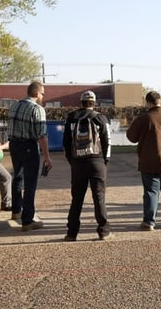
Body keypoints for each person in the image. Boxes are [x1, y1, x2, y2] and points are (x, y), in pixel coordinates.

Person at [126, 91, 161, 231]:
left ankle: (149, 222)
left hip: (150, 162)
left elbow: (131, 137)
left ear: (148, 103)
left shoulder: (143, 119)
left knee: (151, 192)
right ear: (160, 101)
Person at [63, 91, 112, 240]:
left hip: (78, 162)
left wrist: (72, 160)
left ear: (81, 102)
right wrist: (105, 161)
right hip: (96, 161)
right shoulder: (100, 118)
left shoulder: (71, 118)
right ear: (94, 103)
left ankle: (72, 233)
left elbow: (66, 142)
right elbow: (107, 142)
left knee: (77, 199)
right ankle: (103, 231)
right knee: (99, 197)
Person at [7, 81, 52, 231]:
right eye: (43, 94)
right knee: (30, 182)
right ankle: (28, 220)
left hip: (14, 145)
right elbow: (42, 135)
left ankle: (16, 211)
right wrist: (47, 157)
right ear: (37, 93)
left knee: (17, 177)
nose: (43, 97)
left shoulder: (14, 106)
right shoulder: (37, 109)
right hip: (28, 146)